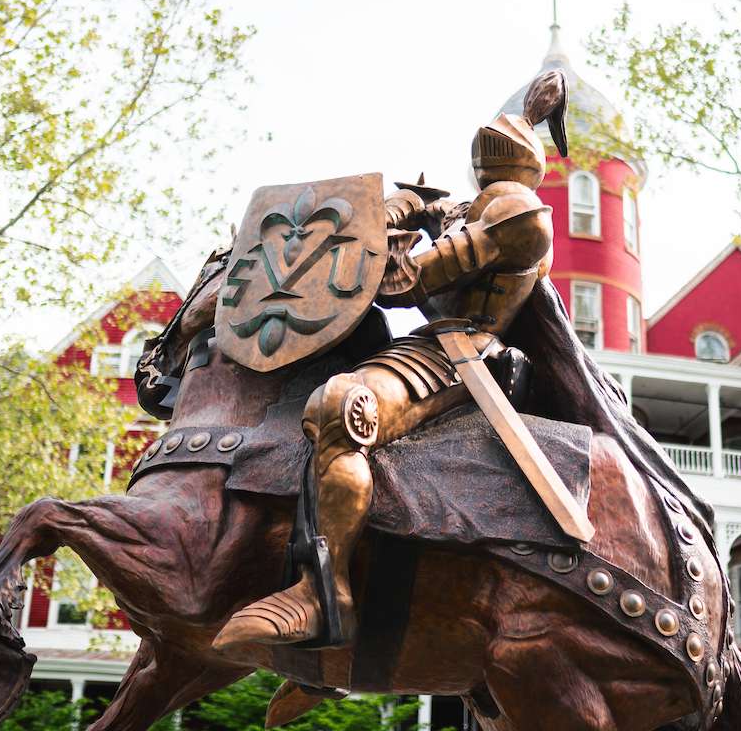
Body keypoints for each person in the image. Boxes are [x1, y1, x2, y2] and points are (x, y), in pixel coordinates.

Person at [213, 70, 570, 649]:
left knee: (341, 407)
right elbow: (402, 238)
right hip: (426, 345)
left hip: (464, 354)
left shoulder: (518, 217)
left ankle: (324, 597)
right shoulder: (470, 210)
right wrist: (404, 208)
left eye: (495, 159)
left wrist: (399, 220)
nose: (487, 169)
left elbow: (403, 284)